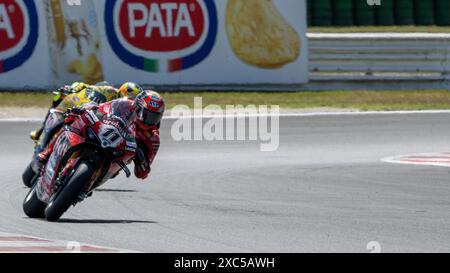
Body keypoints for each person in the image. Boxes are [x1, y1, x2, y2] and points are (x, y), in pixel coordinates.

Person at [38, 90, 165, 180]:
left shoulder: (153, 138)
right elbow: (101, 108)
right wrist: (85, 108)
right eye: (146, 114)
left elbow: (142, 173)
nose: (149, 120)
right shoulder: (125, 105)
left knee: (112, 173)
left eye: (154, 117)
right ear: (137, 107)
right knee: (71, 122)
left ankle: (86, 185)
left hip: (116, 157)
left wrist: (141, 159)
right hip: (102, 134)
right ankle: (47, 152)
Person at [29, 82, 120, 160]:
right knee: (58, 119)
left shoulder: (116, 103)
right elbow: (77, 85)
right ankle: (41, 135)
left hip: (91, 122)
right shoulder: (86, 87)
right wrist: (69, 89)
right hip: (72, 111)